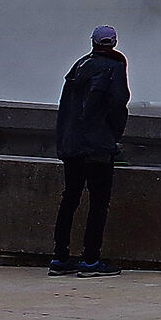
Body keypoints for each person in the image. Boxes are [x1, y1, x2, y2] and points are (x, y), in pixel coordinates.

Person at [51, 25, 129, 277]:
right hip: (97, 145)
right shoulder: (115, 66)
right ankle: (90, 260)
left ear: (93, 42)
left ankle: (60, 257)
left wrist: (65, 140)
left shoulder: (79, 65)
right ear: (114, 42)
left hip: (72, 144)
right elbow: (118, 104)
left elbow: (66, 106)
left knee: (70, 198)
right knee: (98, 202)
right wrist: (113, 137)